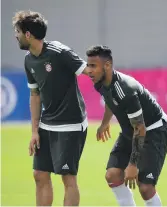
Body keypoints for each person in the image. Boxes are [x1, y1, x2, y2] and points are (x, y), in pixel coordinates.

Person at [13, 10, 89, 206]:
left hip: (71, 124)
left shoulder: (59, 52)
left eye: (18, 31)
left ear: (28, 34)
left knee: (67, 177)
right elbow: (35, 95)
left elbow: (88, 71)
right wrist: (34, 131)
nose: (16, 36)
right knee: (39, 174)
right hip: (48, 123)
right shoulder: (28, 60)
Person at [85, 45, 167, 206]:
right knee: (112, 175)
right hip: (131, 130)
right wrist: (105, 123)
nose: (89, 70)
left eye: (93, 66)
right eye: (88, 65)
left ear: (107, 65)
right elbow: (110, 100)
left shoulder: (126, 90)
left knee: (145, 187)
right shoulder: (100, 82)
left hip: (154, 130)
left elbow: (141, 128)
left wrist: (133, 164)